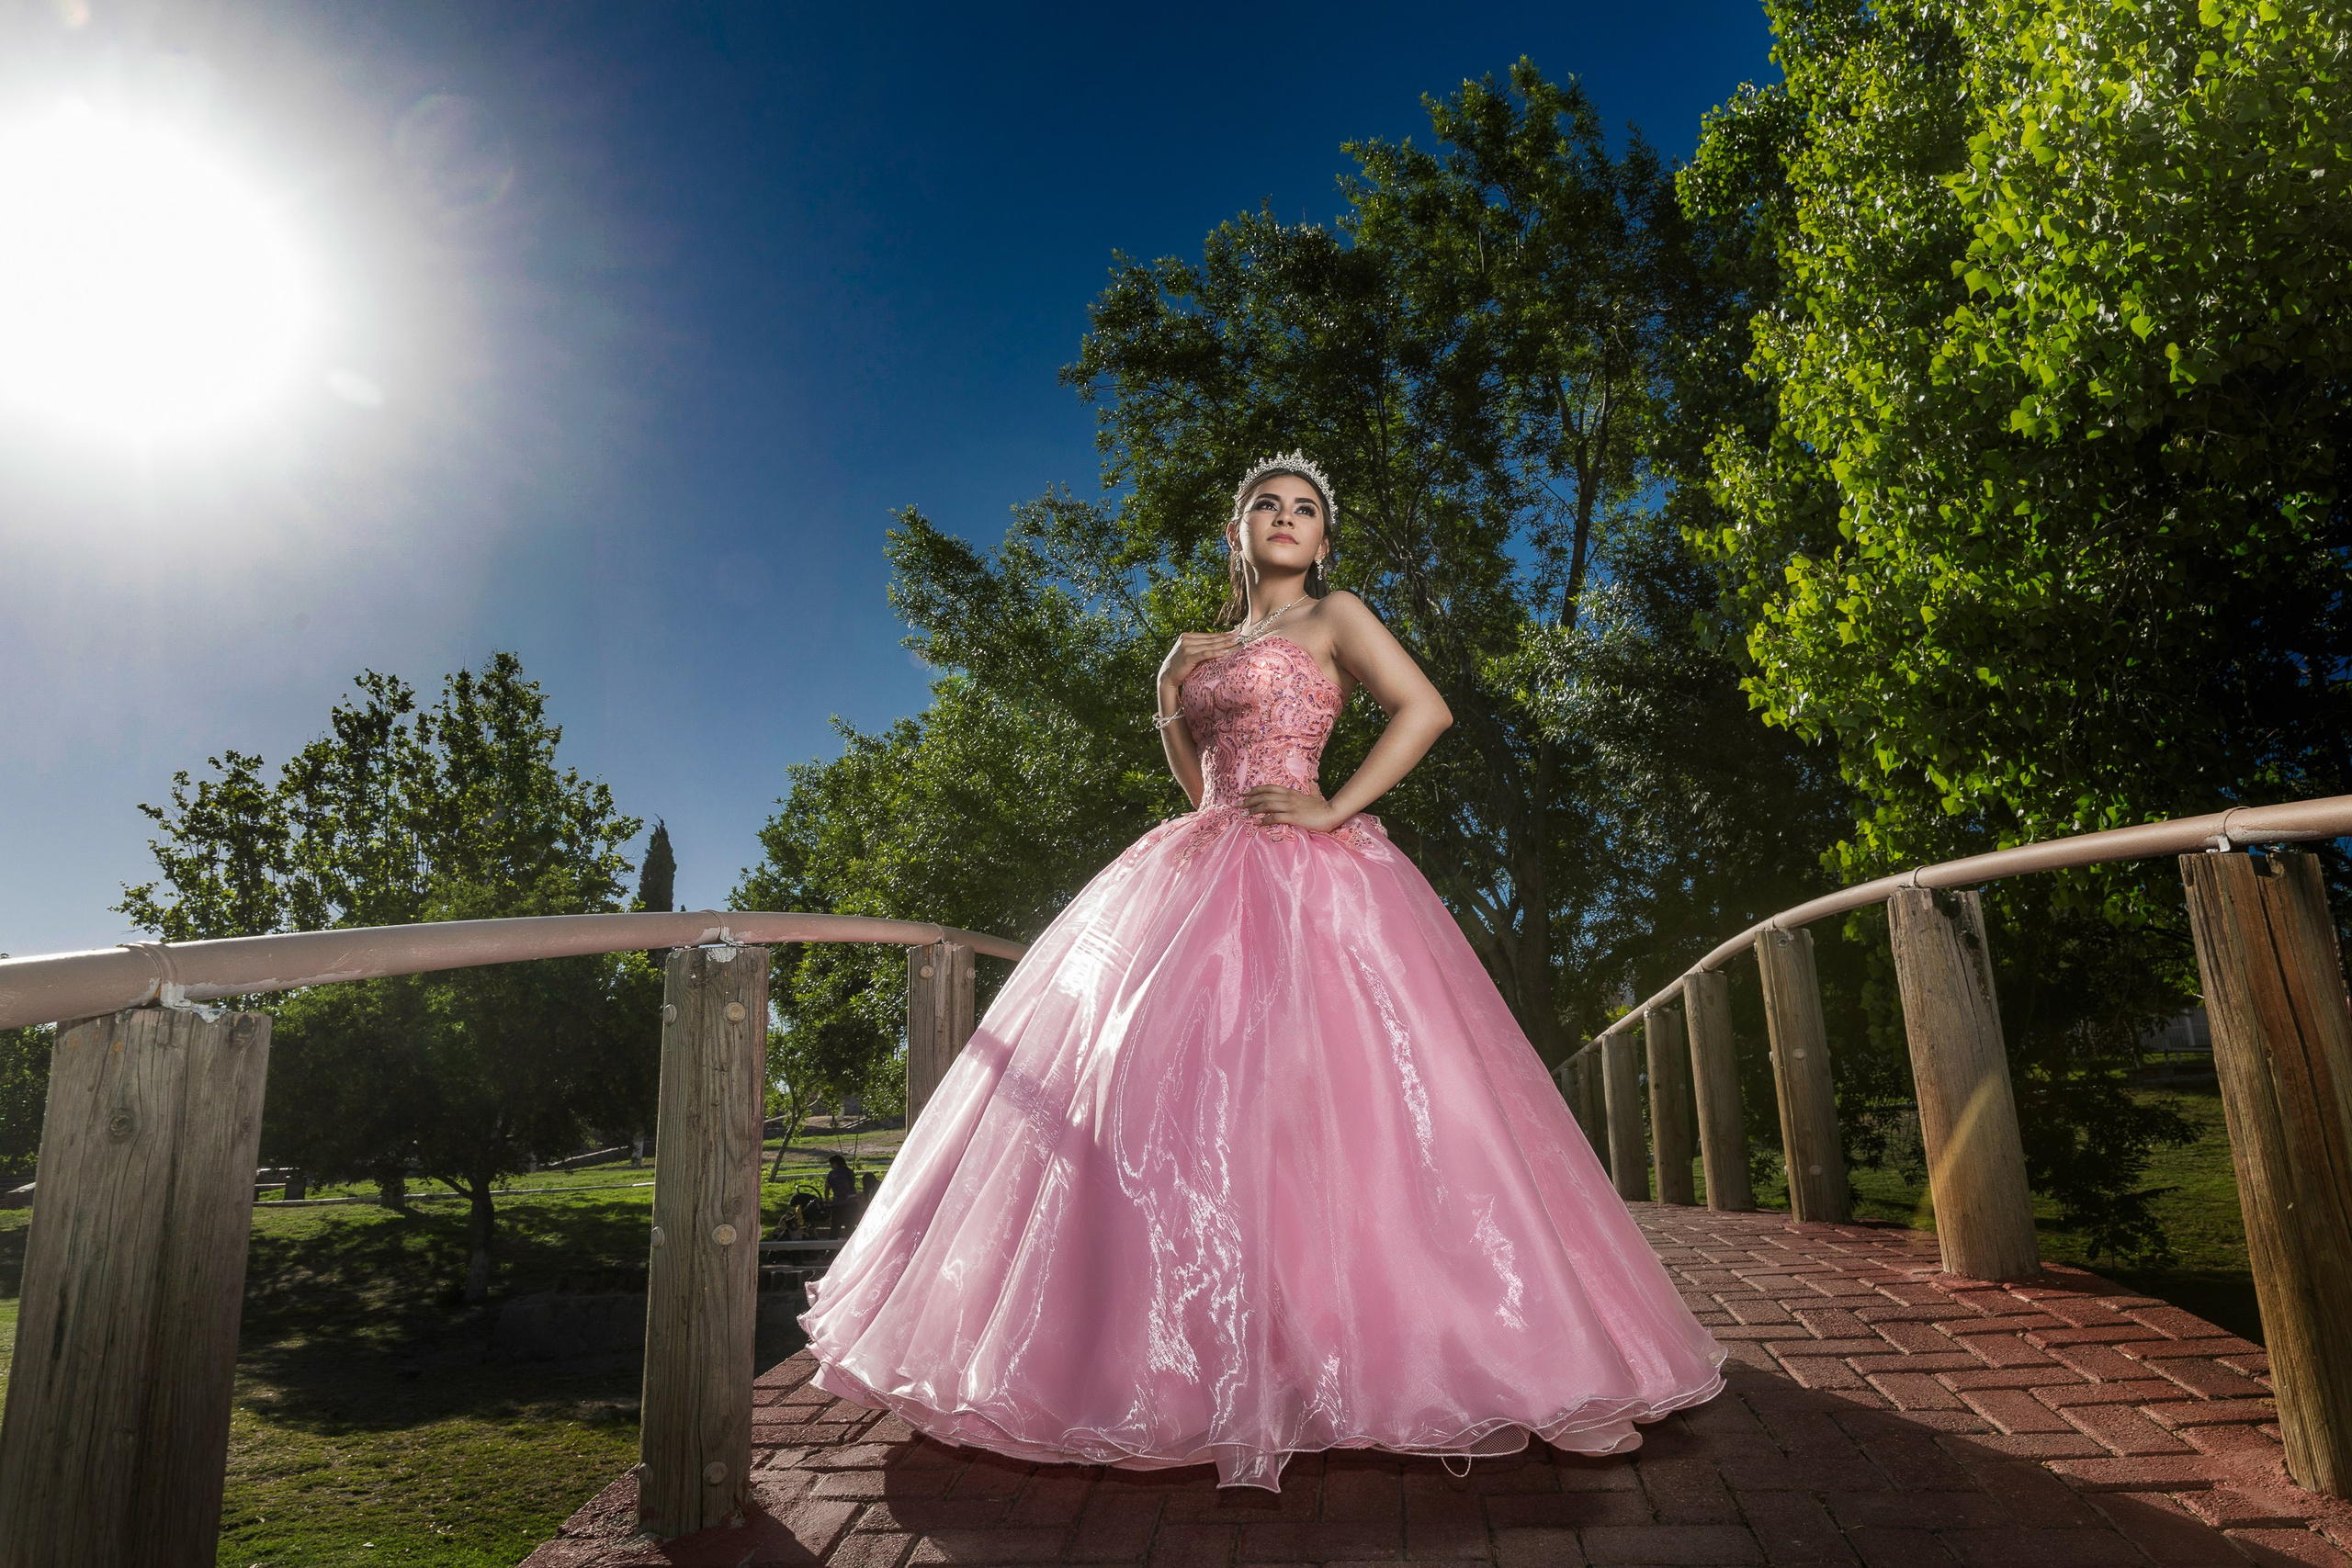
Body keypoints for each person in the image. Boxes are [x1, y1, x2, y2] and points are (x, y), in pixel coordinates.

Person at [800, 452, 1725, 1491]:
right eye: (1266, 506)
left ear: (1324, 539)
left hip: (1309, 874)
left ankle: (1443, 1352)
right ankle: (1195, 1355)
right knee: (1167, 1100)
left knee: (1347, 1102)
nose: (1287, 518)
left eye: (1305, 509)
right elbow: (1198, 785)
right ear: (1235, 532)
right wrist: (1166, 687)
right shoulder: (1203, 647)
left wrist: (1335, 809)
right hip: (1197, 868)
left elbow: (1424, 710)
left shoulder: (1336, 617)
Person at [823, 1154, 857, 1239]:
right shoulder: (850, 1172)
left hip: (839, 1204)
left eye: (831, 1164)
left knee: (835, 1228)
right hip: (852, 1204)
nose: (831, 1167)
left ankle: (832, 1246)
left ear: (835, 1164)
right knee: (850, 1228)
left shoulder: (832, 1174)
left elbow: (827, 1189)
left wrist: (827, 1201)